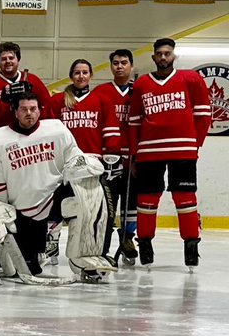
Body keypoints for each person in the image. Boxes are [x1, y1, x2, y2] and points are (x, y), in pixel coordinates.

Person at [0, 92, 110, 283]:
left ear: (39, 110)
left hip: (55, 196)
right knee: (24, 268)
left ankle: (86, 257)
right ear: (15, 112)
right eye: (24, 109)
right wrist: (2, 214)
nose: (29, 113)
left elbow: (74, 157)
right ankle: (32, 253)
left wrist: (86, 165)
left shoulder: (57, 129)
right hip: (20, 210)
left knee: (92, 190)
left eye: (33, 109)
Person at [128, 38, 212, 269]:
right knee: (146, 200)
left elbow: (204, 114)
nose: (163, 57)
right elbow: (134, 122)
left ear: (173, 55)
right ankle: (144, 243)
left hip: (182, 150)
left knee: (185, 198)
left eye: (167, 53)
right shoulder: (143, 83)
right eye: (159, 54)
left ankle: (191, 244)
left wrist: (195, 145)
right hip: (148, 152)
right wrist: (134, 155)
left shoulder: (191, 79)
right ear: (153, 57)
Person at [53, 59, 123, 262]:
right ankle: (51, 246)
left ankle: (99, 249)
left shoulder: (102, 100)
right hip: (66, 166)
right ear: (71, 76)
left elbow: (110, 132)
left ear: (91, 76)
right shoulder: (58, 101)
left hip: (93, 167)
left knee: (98, 213)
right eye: (77, 72)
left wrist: (112, 156)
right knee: (58, 207)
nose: (81, 76)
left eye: (85, 72)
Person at [91, 48, 137, 263]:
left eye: (124, 62)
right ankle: (103, 244)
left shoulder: (139, 90)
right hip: (109, 160)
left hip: (133, 158)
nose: (119, 66)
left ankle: (128, 238)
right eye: (116, 63)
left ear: (131, 66)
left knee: (131, 204)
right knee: (108, 205)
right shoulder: (100, 92)